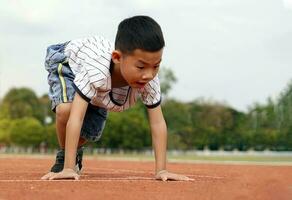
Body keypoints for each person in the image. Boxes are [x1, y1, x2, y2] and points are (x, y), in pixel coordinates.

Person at [41, 15, 192, 181]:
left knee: (89, 133)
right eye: (141, 66)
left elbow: (157, 123)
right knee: (67, 110)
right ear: (117, 58)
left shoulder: (149, 80)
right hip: (69, 62)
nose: (148, 74)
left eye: (156, 66)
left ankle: (75, 152)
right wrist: (68, 168)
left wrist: (162, 170)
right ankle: (66, 160)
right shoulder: (96, 70)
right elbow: (76, 117)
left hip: (102, 83)